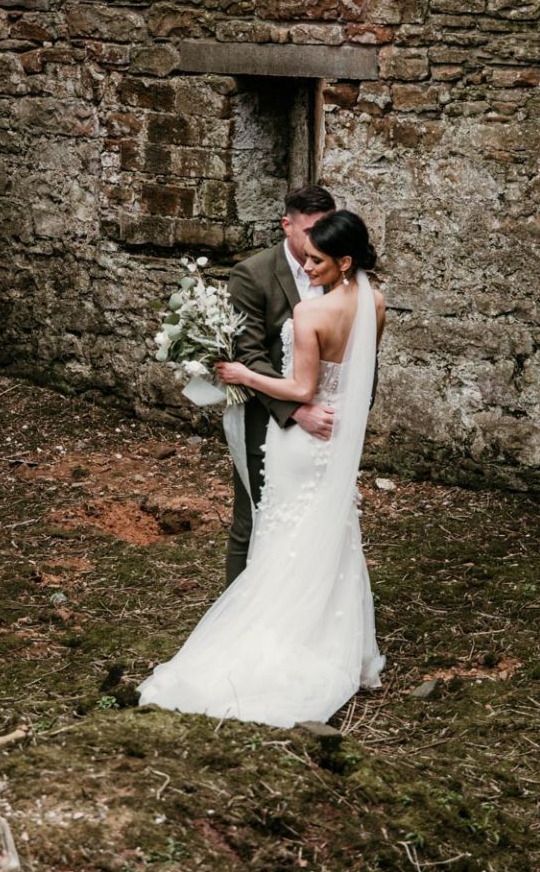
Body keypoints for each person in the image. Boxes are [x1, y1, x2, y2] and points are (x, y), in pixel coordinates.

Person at [137, 210, 386, 728]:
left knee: (279, 534)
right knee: (330, 532)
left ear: (344, 261)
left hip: (297, 439)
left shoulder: (314, 316)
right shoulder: (374, 304)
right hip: (335, 440)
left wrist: (242, 373)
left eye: (317, 260)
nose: (307, 266)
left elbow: (299, 391)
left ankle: (275, 640)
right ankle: (337, 643)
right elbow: (355, 378)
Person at [222, 185, 339, 587]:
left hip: (327, 422)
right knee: (254, 515)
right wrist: (297, 410)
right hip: (265, 414)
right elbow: (250, 356)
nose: (320, 241)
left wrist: (350, 411)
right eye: (310, 231)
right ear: (286, 225)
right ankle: (233, 617)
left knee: (317, 519)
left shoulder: (339, 269)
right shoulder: (252, 275)